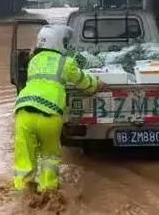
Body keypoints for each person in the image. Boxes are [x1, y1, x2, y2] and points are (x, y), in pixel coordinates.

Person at [13, 24, 100, 193]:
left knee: (24, 162)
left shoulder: (33, 61)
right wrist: (97, 84)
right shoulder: (66, 63)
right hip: (50, 115)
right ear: (59, 42)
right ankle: (48, 195)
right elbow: (86, 84)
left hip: (23, 112)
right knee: (49, 158)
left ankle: (21, 198)